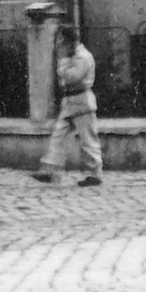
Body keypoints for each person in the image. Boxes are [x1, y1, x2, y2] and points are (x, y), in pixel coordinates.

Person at [34, 25, 103, 187]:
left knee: (88, 139)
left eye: (61, 41)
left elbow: (73, 77)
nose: (59, 45)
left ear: (68, 40)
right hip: (70, 103)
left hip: (82, 102)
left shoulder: (83, 57)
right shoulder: (73, 57)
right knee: (58, 137)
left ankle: (94, 174)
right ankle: (50, 171)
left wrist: (63, 63)